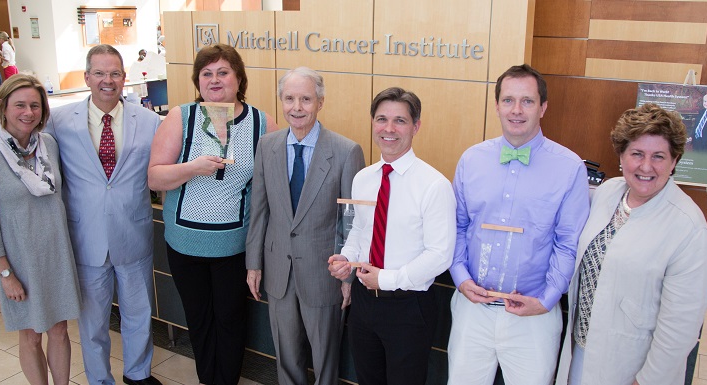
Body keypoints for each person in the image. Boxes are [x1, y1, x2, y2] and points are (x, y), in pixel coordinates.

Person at [0, 44, 163, 385]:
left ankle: (137, 374)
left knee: (138, 315)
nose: (108, 80)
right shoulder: (59, 122)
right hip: (83, 239)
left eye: (115, 73)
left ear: (124, 77)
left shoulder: (149, 121)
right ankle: (99, 380)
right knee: (92, 323)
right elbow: (19, 137)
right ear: (87, 77)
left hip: (133, 234)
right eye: (100, 73)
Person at [447, 64, 590, 385]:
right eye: (509, 100)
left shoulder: (569, 168)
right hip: (474, 309)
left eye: (527, 101)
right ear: (496, 105)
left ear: (543, 108)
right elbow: (457, 226)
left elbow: (568, 243)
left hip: (533, 316)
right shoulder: (471, 159)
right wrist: (460, 277)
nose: (516, 110)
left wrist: (547, 299)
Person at [148, 43, 278, 385]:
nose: (215, 79)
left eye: (223, 72)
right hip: (185, 246)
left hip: (234, 248)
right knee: (201, 321)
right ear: (197, 80)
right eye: (207, 73)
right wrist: (192, 168)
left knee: (232, 322)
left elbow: (276, 181)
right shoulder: (182, 116)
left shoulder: (261, 122)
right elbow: (154, 176)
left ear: (239, 79)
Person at [555, 103, 707, 385]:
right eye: (637, 154)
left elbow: (680, 328)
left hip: (632, 368)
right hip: (581, 353)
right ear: (622, 156)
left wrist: (647, 380)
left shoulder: (689, 227)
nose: (646, 166)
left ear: (674, 161)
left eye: (659, 156)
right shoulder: (607, 192)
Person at [328, 87, 456, 385]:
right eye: (382, 119)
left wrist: (386, 279)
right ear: (373, 123)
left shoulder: (434, 185)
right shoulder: (364, 178)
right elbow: (361, 229)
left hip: (408, 306)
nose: (389, 128)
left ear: (416, 127)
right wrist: (348, 258)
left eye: (400, 120)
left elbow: (440, 254)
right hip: (363, 301)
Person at [246, 67, 365, 385]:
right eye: (289, 99)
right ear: (280, 101)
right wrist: (253, 264)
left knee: (326, 360)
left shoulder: (346, 151)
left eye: (305, 99)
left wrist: (349, 274)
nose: (296, 107)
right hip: (278, 271)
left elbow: (352, 220)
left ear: (320, 102)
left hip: (325, 274)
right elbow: (258, 210)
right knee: (286, 357)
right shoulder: (267, 146)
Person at [0, 74, 81, 385]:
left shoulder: (49, 145)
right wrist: (5, 274)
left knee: (59, 329)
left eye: (35, 105)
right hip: (18, 261)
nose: (28, 112)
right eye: (19, 105)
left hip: (56, 253)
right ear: (3, 106)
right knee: (30, 334)